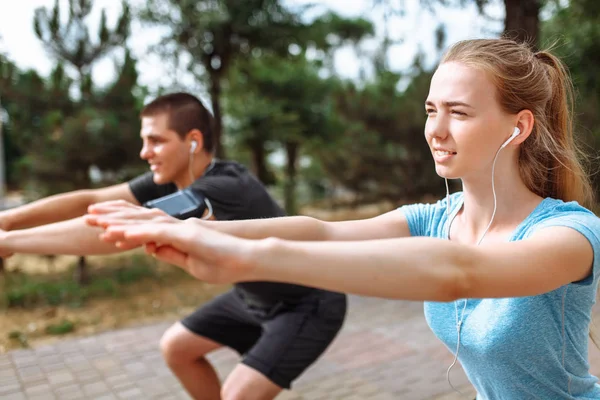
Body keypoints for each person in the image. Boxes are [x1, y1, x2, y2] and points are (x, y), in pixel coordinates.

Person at [88, 38, 600, 399]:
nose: (435, 130)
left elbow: (456, 274)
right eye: (430, 109)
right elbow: (322, 230)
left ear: (520, 126)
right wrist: (199, 231)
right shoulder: (439, 218)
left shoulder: (568, 235)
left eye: (459, 113)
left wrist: (250, 256)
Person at [0, 92, 347, 400]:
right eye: (144, 140)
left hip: (307, 302)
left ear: (192, 141)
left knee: (238, 395)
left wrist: (10, 242)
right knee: (177, 347)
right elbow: (91, 200)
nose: (144, 152)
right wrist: (8, 221)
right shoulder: (167, 180)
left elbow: (122, 231)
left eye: (155, 141)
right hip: (253, 296)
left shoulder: (223, 186)